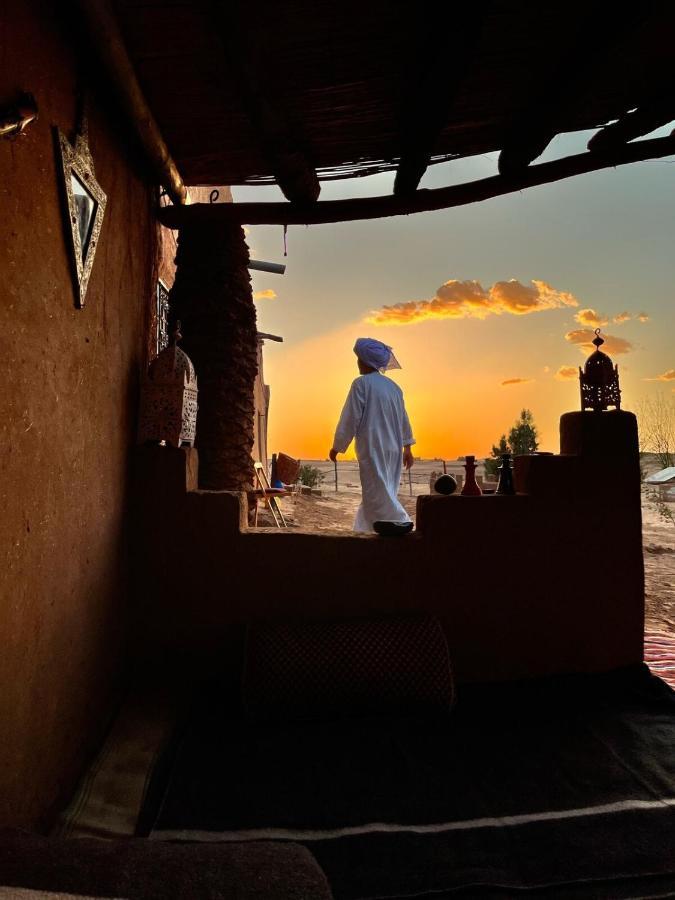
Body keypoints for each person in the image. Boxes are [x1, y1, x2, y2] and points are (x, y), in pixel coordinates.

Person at [330, 338, 415, 533]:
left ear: (365, 362)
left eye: (359, 359)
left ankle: (402, 523)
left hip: (373, 448)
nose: (357, 363)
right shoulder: (394, 388)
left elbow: (350, 418)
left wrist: (337, 446)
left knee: (378, 494)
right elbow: (404, 420)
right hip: (393, 450)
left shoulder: (361, 384)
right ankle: (365, 530)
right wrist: (407, 448)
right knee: (378, 493)